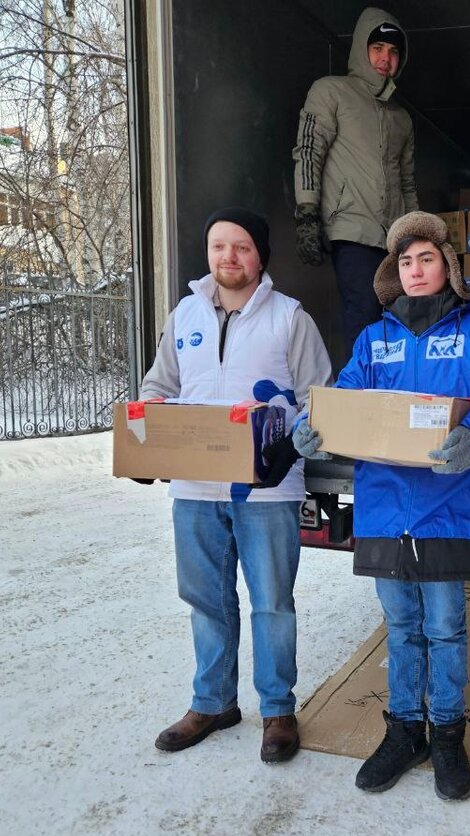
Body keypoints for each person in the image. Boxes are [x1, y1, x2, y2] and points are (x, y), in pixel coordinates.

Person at [292, 211, 470, 801]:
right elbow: (342, 395)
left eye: (427, 259)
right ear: (393, 273)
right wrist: (308, 423)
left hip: (451, 506)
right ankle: (403, 732)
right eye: (406, 262)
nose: (416, 270)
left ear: (448, 266)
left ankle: (446, 734)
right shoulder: (375, 340)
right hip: (388, 508)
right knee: (400, 626)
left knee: (445, 627)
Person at [139, 207, 332, 764]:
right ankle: (214, 702)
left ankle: (277, 711)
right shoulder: (183, 315)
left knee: (272, 602)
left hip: (268, 488)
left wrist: (299, 434)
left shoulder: (290, 318)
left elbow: (321, 396)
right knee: (205, 599)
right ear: (209, 253)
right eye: (219, 246)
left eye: (242, 247)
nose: (229, 257)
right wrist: (149, 416)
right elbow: (160, 384)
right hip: (195, 488)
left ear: (260, 256)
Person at [292, 7, 417, 349]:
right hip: (350, 230)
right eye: (377, 48)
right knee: (364, 317)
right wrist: (307, 211)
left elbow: (407, 182)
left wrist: (417, 237)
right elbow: (308, 150)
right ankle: (356, 397)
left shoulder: (401, 118)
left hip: (392, 238)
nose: (385, 58)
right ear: (361, 48)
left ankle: (386, 395)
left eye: (393, 52)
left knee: (396, 322)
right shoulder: (331, 91)